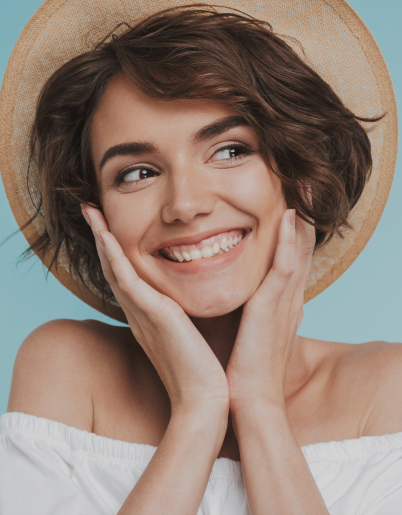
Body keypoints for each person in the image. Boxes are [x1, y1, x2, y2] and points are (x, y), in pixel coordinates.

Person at [0, 1, 400, 514]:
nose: (186, 204)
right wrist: (198, 410)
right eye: (137, 173)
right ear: (96, 215)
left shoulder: (387, 389)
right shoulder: (67, 366)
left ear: (300, 173)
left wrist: (259, 404)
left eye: (230, 150)